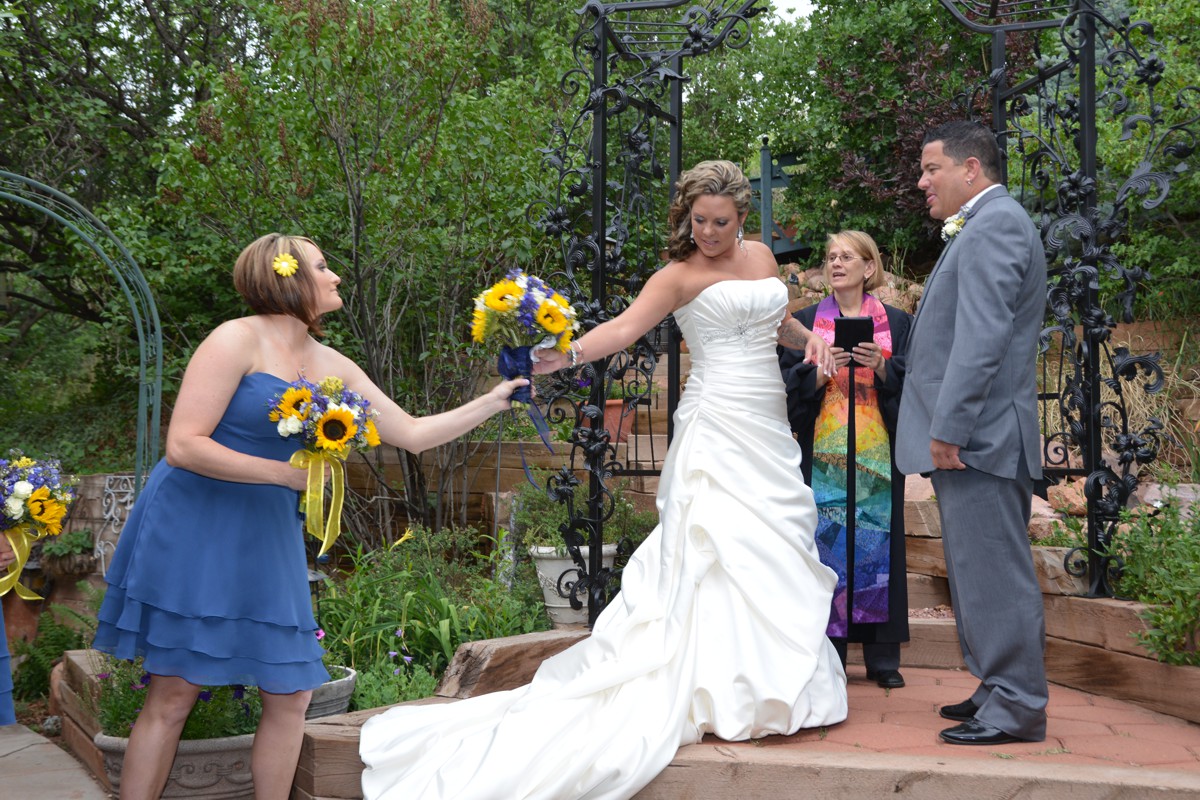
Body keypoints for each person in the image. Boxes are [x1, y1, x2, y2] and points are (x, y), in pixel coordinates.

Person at [358, 160, 847, 800]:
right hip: (716, 423)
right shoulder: (676, 275)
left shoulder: (761, 258)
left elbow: (774, 320)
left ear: (742, 217)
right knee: (715, 541)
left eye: (720, 222)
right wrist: (559, 357)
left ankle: (770, 680)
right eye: (698, 220)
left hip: (766, 417)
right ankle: (714, 684)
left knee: (773, 540)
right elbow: (621, 330)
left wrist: (810, 337)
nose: (707, 232)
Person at [92, 233, 527, 800]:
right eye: (323, 267)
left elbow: (414, 434)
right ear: (287, 277)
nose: (335, 276)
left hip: (265, 532)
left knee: (291, 692)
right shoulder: (235, 340)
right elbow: (183, 445)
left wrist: (495, 399)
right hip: (197, 524)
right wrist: (288, 476)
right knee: (174, 693)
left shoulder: (329, 363)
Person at [895, 120, 1049, 745]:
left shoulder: (996, 225)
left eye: (931, 168)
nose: (922, 181)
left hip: (980, 438)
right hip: (978, 438)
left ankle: (1017, 706)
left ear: (971, 169)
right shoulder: (985, 224)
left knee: (994, 572)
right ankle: (996, 685)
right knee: (975, 569)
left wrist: (950, 428)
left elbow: (982, 339)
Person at [779, 230, 912, 690]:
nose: (836, 263)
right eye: (831, 257)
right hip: (823, 451)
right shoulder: (804, 323)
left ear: (868, 267)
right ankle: (829, 652)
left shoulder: (897, 323)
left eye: (847, 257)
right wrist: (818, 375)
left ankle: (882, 658)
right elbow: (786, 385)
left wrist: (883, 367)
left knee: (878, 543)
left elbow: (914, 380)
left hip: (878, 451)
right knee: (825, 541)